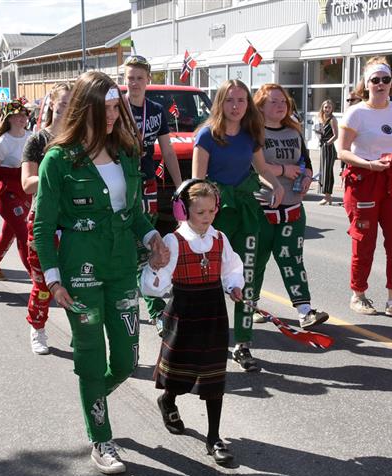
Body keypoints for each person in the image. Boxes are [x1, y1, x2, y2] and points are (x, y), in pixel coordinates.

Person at [33, 71, 168, 475]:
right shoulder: (59, 159)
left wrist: (152, 239)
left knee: (127, 360)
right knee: (91, 358)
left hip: (122, 267)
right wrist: (53, 280)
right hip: (80, 272)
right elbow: (43, 226)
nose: (112, 115)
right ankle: (101, 436)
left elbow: (134, 214)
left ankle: (92, 400)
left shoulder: (125, 151)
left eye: (116, 107)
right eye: (105, 107)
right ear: (86, 108)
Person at [141, 179, 244, 466]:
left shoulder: (220, 239)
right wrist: (154, 267)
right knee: (179, 371)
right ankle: (168, 400)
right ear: (182, 211)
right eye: (201, 212)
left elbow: (232, 268)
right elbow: (153, 287)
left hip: (213, 310)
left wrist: (234, 285)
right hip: (184, 310)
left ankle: (214, 437)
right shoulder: (173, 241)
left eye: (212, 211)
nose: (208, 217)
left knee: (213, 375)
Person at [192, 79, 284, 372]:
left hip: (245, 213)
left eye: (241, 100)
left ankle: (242, 344)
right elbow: (197, 183)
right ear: (220, 102)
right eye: (230, 100)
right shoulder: (207, 136)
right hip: (215, 215)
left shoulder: (249, 134)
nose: (236, 106)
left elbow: (261, 167)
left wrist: (276, 184)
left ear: (248, 104)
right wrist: (201, 220)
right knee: (206, 280)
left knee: (246, 278)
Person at [336, 56, 392, 319]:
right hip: (364, 181)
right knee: (365, 241)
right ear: (367, 83)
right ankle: (358, 294)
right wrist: (369, 164)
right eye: (375, 80)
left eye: (385, 79)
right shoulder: (356, 113)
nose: (381, 84)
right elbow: (341, 150)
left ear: (391, 83)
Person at [252, 83, 329, 332]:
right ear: (260, 106)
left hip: (292, 207)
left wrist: (306, 176)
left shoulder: (294, 131)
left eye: (283, 101)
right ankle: (251, 305)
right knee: (256, 260)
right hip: (262, 206)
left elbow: (305, 160)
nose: (279, 106)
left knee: (292, 259)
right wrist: (283, 170)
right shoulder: (252, 132)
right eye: (273, 101)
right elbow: (253, 166)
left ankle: (304, 310)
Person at [122, 54, 183, 330]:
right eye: (129, 78)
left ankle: (156, 311)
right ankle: (124, 302)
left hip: (147, 184)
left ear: (148, 79)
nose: (134, 83)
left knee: (150, 246)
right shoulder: (116, 107)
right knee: (124, 245)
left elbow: (168, 151)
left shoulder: (156, 110)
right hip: (120, 184)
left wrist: (181, 186)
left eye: (139, 78)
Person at [21, 82, 71, 354]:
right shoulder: (37, 140)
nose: (66, 109)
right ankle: (37, 328)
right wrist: (55, 177)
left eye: (71, 104)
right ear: (51, 104)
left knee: (77, 281)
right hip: (43, 220)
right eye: (62, 103)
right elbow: (27, 183)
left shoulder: (81, 139)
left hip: (74, 221)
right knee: (43, 283)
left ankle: (80, 329)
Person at [0, 99, 34, 281]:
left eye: (24, 115)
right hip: (6, 192)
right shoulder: (2, 143)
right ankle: (35, 275)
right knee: (23, 232)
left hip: (25, 191)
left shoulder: (31, 137)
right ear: (9, 118)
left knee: (9, 232)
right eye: (18, 115)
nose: (22, 118)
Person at [315, 99, 338, 205]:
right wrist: (318, 133)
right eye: (325, 107)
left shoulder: (333, 119)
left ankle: (327, 196)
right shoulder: (321, 118)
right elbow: (320, 132)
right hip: (323, 147)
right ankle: (326, 196)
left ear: (332, 108)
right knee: (323, 171)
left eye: (329, 107)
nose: (327, 109)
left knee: (327, 172)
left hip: (329, 148)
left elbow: (336, 135)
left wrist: (328, 143)